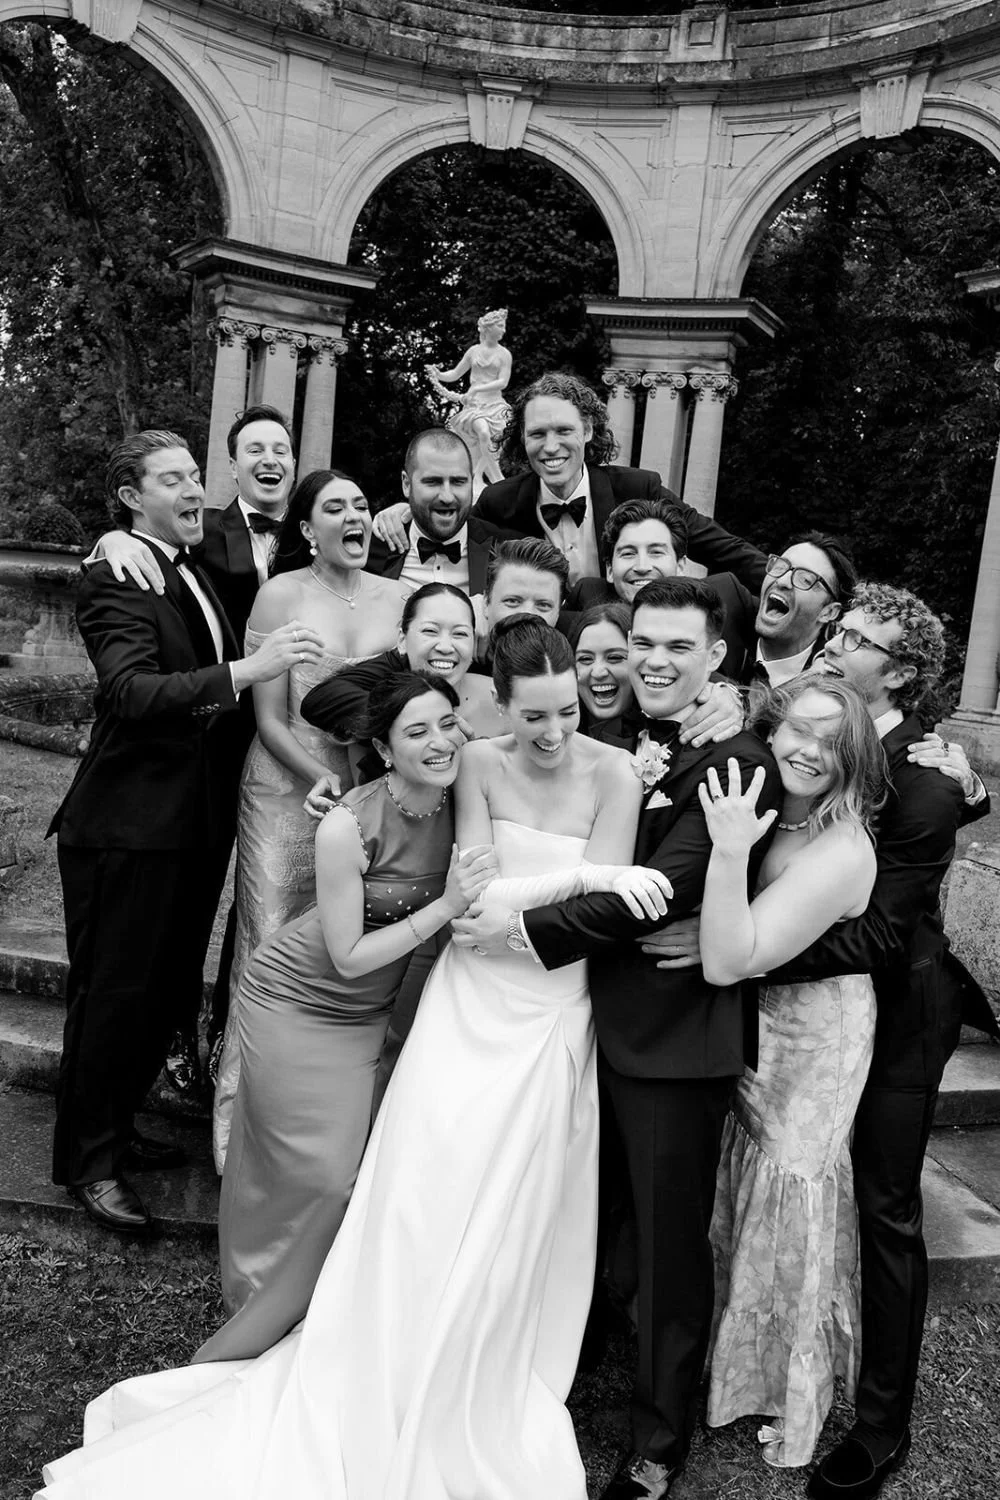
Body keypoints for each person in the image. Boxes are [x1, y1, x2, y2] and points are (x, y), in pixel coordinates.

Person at [36, 616, 672, 1500]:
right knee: (396, 1181)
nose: (554, 730)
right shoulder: (474, 765)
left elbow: (554, 909)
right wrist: (594, 876)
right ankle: (317, 1324)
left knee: (518, 1191)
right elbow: (478, 894)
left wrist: (581, 888)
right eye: (533, 715)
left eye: (568, 711)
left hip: (547, 1009)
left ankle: (483, 1347)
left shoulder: (612, 772)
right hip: (426, 995)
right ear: (501, 706)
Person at [452, 577, 784, 1500]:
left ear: (718, 657)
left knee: (668, 1246)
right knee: (579, 1216)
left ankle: (659, 1438)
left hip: (670, 1038)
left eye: (680, 647)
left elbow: (664, 890)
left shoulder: (736, 759)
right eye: (646, 642)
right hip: (575, 1022)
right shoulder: (624, 735)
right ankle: (557, 1365)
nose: (655, 661)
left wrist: (522, 931)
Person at [48, 430, 323, 1236]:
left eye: (195, 475)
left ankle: (119, 1123)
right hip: (127, 826)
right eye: (172, 480)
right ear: (131, 499)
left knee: (161, 991)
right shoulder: (116, 573)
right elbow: (132, 693)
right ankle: (88, 1164)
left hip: (192, 827)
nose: (194, 490)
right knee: (113, 995)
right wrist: (247, 674)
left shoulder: (188, 565)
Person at [197, 673, 496, 1362]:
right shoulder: (347, 826)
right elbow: (350, 956)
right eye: (416, 731)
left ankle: (331, 1306)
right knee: (320, 1175)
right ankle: (260, 1306)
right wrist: (447, 905)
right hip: (297, 1000)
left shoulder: (469, 794)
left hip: (369, 1015)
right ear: (384, 750)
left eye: (448, 723)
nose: (440, 741)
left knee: (356, 1168)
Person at [700, 676, 886, 1469]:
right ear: (771, 731)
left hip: (817, 1039)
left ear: (855, 758)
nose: (810, 751)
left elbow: (728, 959)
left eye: (832, 741)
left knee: (794, 1196)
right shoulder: (781, 806)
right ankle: (735, 1361)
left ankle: (791, 1395)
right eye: (798, 731)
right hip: (763, 1022)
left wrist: (729, 849)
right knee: (751, 1181)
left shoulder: (841, 848)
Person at [84, 404, 299, 1089]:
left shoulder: (318, 526)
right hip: (179, 771)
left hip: (279, 768)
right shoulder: (192, 539)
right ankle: (168, 1053)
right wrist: (109, 540)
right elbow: (132, 671)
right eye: (253, 448)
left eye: (281, 447)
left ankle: (215, 1041)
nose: (269, 459)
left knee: (233, 914)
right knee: (140, 955)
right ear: (235, 465)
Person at [211, 468, 408, 1171]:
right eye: (335, 507)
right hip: (283, 789)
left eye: (360, 504)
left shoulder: (399, 597)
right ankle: (239, 1135)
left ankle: (329, 1132)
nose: (353, 516)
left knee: (349, 954)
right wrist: (317, 775)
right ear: (306, 528)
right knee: (267, 945)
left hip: (367, 795)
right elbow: (266, 719)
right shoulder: (281, 593)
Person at [372, 371, 766, 588]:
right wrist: (405, 511)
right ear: (521, 439)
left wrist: (782, 580)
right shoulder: (498, 501)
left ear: (588, 430)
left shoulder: (636, 490)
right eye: (537, 434)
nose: (550, 447)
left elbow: (720, 547)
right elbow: (452, 521)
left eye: (563, 431)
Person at [301, 583, 500, 787]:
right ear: (402, 640)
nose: (445, 647)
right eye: (430, 631)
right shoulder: (389, 678)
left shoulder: (499, 698)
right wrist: (405, 716)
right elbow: (318, 700)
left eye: (460, 634)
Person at [570, 497, 762, 681]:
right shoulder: (587, 597)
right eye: (628, 553)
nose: (642, 567)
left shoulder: (727, 594)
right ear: (610, 570)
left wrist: (726, 689)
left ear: (680, 565)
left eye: (656, 552)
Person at [364, 427, 519, 596]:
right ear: (406, 484)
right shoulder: (370, 551)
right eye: (433, 482)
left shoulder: (508, 551)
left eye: (458, 482)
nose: (447, 497)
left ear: (472, 482)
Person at [424, 308, 513, 493]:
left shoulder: (504, 354)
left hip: (496, 406)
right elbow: (455, 374)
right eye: (500, 326)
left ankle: (478, 475)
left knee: (494, 442)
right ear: (489, 328)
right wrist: (439, 374)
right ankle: (497, 479)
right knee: (483, 432)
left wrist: (477, 388)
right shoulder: (474, 351)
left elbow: (503, 382)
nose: (504, 330)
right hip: (475, 406)